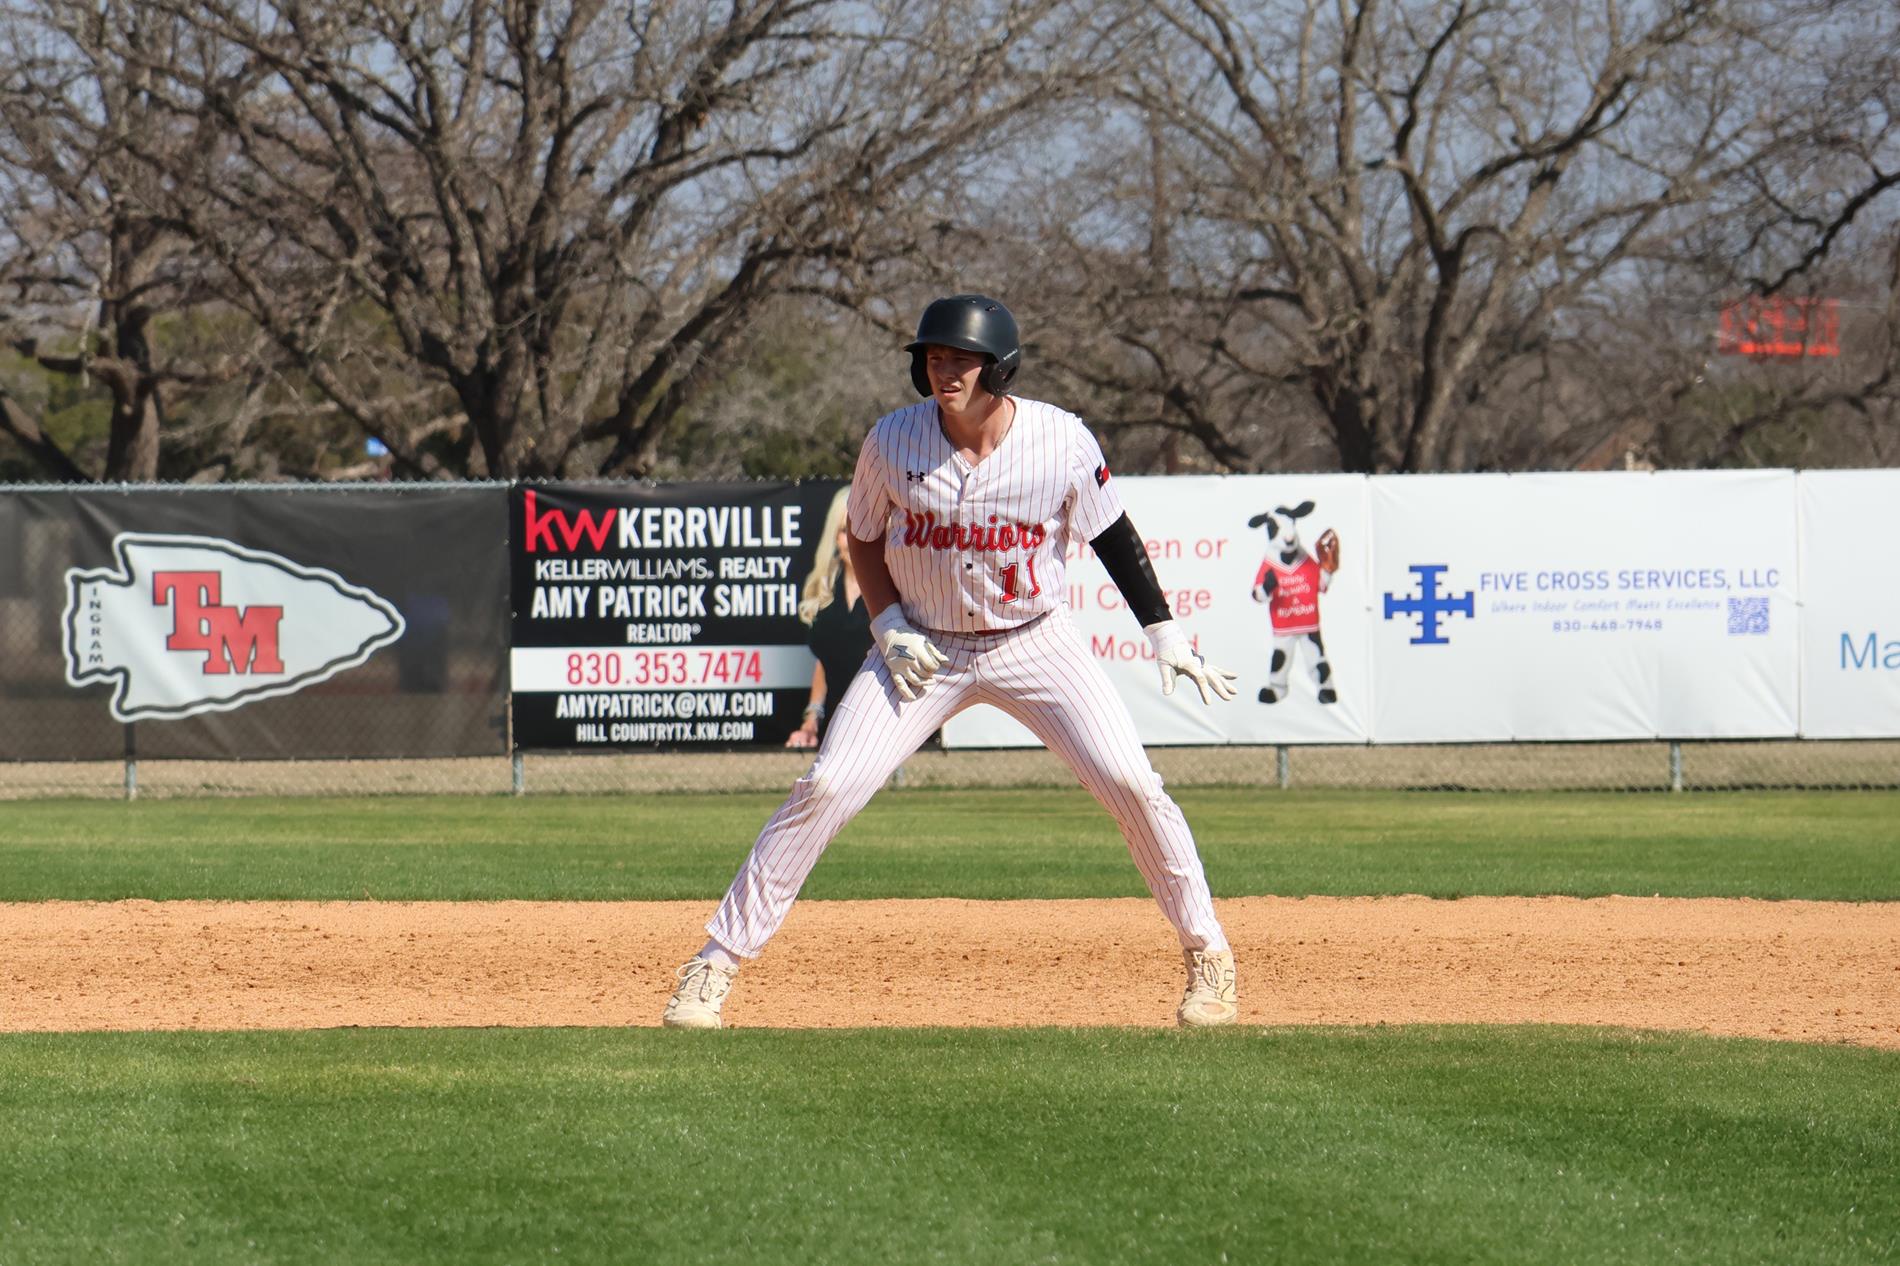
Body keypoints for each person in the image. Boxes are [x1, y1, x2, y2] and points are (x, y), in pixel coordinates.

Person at [663, 294, 1241, 1030]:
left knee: (1131, 779)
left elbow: (1113, 536)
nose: (944, 371)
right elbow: (865, 538)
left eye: (960, 359)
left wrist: (1162, 630)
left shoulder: (1061, 441)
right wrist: (888, 622)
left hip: (1034, 639)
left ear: (999, 366)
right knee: (828, 783)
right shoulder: (892, 440)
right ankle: (713, 964)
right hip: (924, 647)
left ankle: (1208, 954)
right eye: (933, 358)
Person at [785, 486, 873, 749]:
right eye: (845, 531)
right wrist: (811, 720)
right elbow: (826, 661)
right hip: (837, 725)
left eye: (860, 528)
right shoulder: (824, 591)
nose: (853, 539)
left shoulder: (893, 587)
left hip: (885, 723)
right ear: (834, 538)